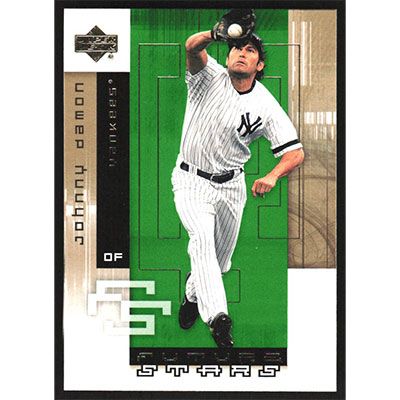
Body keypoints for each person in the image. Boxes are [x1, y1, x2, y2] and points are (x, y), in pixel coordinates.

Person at [171, 29, 304, 348]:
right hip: (191, 180)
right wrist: (214, 33)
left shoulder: (265, 104)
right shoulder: (207, 77)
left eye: (250, 50)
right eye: (236, 48)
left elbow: (295, 152)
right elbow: (192, 47)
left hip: (231, 187)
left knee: (219, 263)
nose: (241, 53)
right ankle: (218, 318)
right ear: (228, 55)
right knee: (201, 240)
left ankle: (192, 293)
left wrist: (273, 175)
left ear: (260, 65)